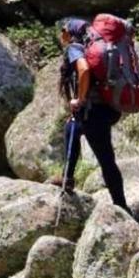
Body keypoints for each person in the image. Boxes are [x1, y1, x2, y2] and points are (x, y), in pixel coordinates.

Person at [56, 17, 130, 214]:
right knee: (72, 127)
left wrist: (79, 99)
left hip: (93, 111)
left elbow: (84, 69)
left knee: (106, 160)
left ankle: (121, 206)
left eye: (62, 30)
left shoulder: (76, 48)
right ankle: (67, 178)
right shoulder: (100, 47)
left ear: (69, 32)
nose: (61, 35)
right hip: (109, 108)